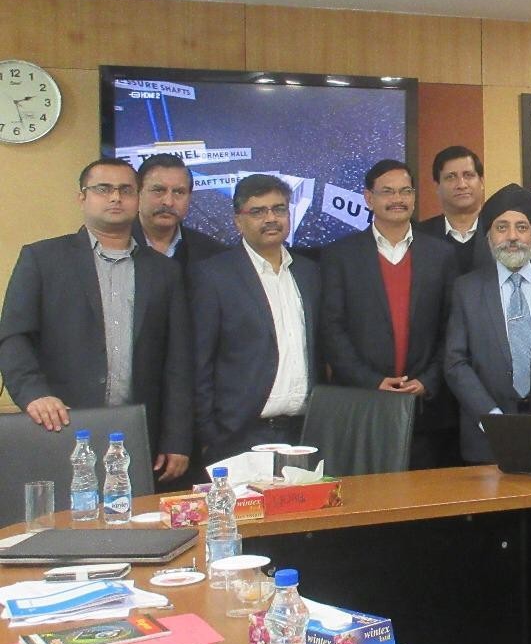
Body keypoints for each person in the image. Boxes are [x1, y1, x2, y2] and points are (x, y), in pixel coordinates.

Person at [0, 157, 193, 485]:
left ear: (138, 198)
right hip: (59, 424)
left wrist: (177, 437)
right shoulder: (43, 259)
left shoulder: (164, 271)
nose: (116, 197)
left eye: (125, 190)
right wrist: (34, 394)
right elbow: (14, 337)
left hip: (137, 431)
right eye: (103, 189)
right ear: (82, 197)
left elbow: (178, 361)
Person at [320, 160, 459, 469]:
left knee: (426, 496)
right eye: (388, 192)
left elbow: (452, 327)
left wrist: (428, 380)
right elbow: (331, 329)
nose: (398, 199)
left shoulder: (441, 254)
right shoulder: (339, 256)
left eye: (405, 191)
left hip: (426, 410)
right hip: (361, 405)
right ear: (368, 198)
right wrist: (371, 381)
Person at [192, 174, 321, 464]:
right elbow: (200, 362)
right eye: (258, 211)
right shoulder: (213, 276)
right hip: (240, 434)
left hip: (304, 432)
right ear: (238, 220)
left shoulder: (309, 272)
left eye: (279, 209)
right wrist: (209, 434)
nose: (271, 218)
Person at [445, 184, 531, 464]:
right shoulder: (467, 289)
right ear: (489, 237)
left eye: (522, 227)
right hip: (485, 437)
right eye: (502, 227)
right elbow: (455, 362)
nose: (512, 237)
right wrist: (491, 418)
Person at [132, 153, 227, 273]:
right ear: (138, 192)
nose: (168, 202)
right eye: (158, 190)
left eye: (179, 192)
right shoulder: (112, 245)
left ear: (189, 197)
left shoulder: (214, 254)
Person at [418, 146, 490, 275]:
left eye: (468, 175)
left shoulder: (502, 232)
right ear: (437, 187)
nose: (461, 185)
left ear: (482, 182)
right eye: (451, 177)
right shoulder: (419, 237)